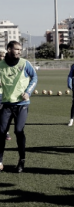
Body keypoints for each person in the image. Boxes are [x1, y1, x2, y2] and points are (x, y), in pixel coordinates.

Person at [0, 41, 38, 172]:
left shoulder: (25, 63)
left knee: (18, 131)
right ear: (9, 49)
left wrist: (28, 92)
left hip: (22, 105)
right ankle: (0, 161)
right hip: (6, 104)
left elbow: (34, 77)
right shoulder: (1, 65)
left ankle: (21, 161)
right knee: (1, 132)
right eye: (16, 49)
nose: (19, 52)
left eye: (20, 49)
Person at [0, 50, 11, 141]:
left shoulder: (8, 65)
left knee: (4, 115)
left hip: (5, 94)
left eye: (4, 56)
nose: (3, 57)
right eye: (1, 56)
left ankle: (6, 132)